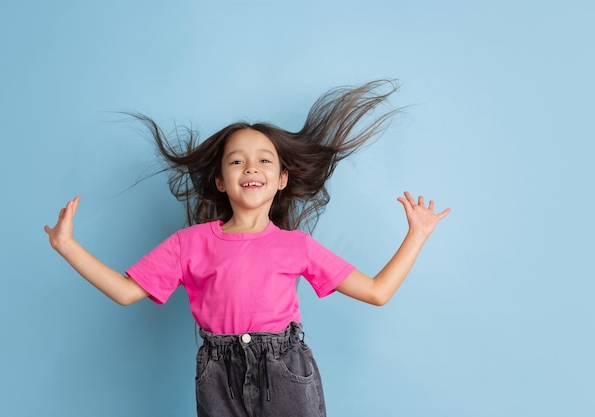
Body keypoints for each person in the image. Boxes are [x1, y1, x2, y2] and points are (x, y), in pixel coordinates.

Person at [44, 80, 450, 417]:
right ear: (220, 181)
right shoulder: (190, 243)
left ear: (282, 179)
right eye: (236, 162)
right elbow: (124, 291)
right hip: (218, 374)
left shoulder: (297, 246)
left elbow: (378, 292)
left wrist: (417, 235)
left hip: (285, 371)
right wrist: (66, 245)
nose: (251, 168)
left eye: (264, 161)